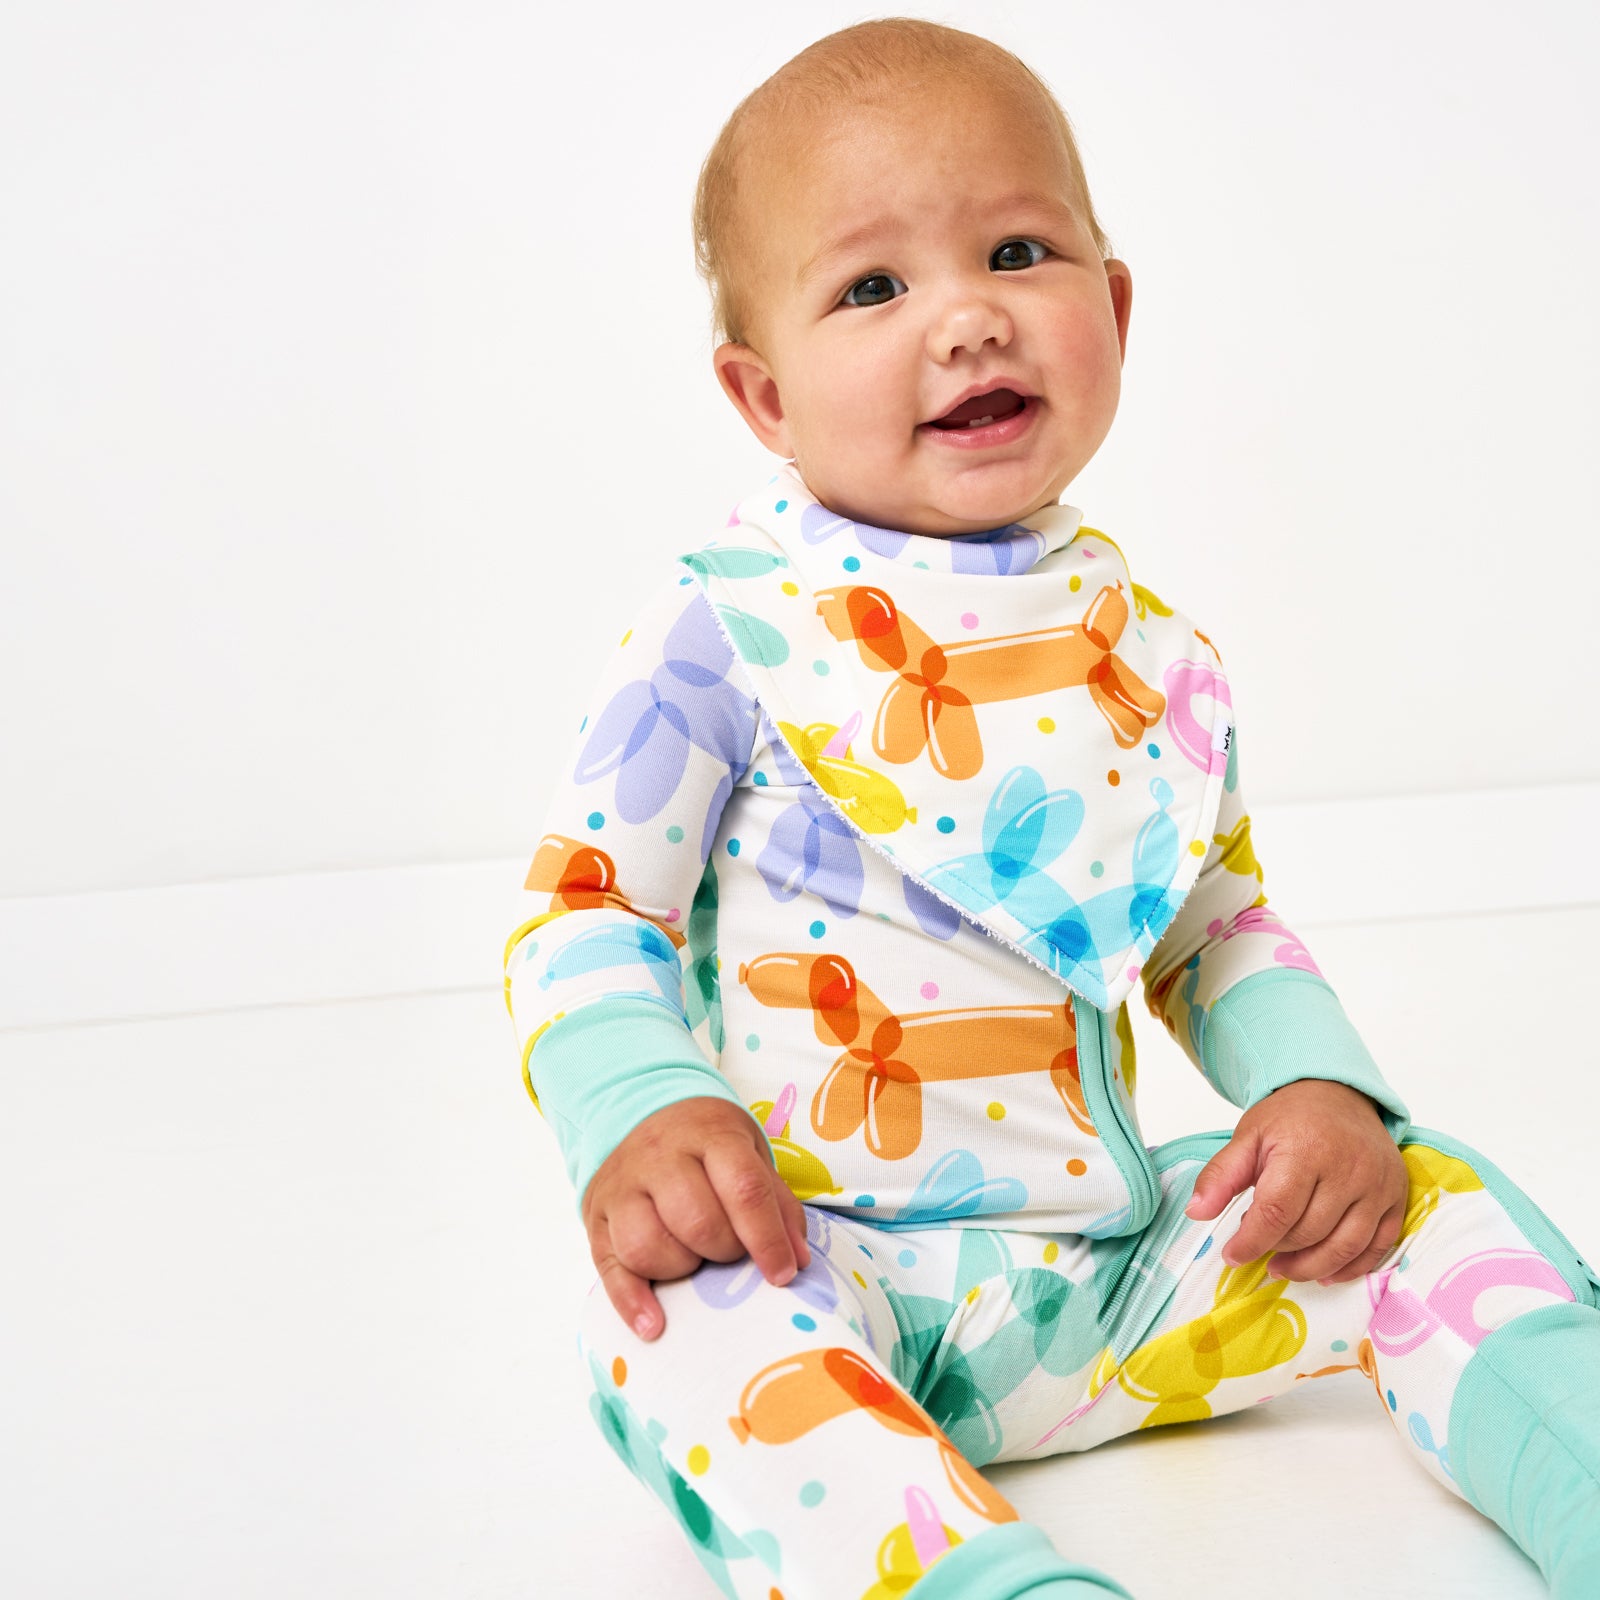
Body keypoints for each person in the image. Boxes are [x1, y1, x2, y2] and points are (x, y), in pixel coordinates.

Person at [503, 19, 1600, 1598]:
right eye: (872, 289)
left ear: (1115, 306)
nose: (966, 317)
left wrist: (1318, 1099)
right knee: (685, 1339)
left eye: (1019, 251)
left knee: (1425, 1192)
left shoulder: (1147, 656)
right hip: (833, 1275)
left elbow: (1217, 928)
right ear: (763, 394)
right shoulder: (724, 630)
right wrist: (640, 1111)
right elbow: (587, 907)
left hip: (1111, 1279)